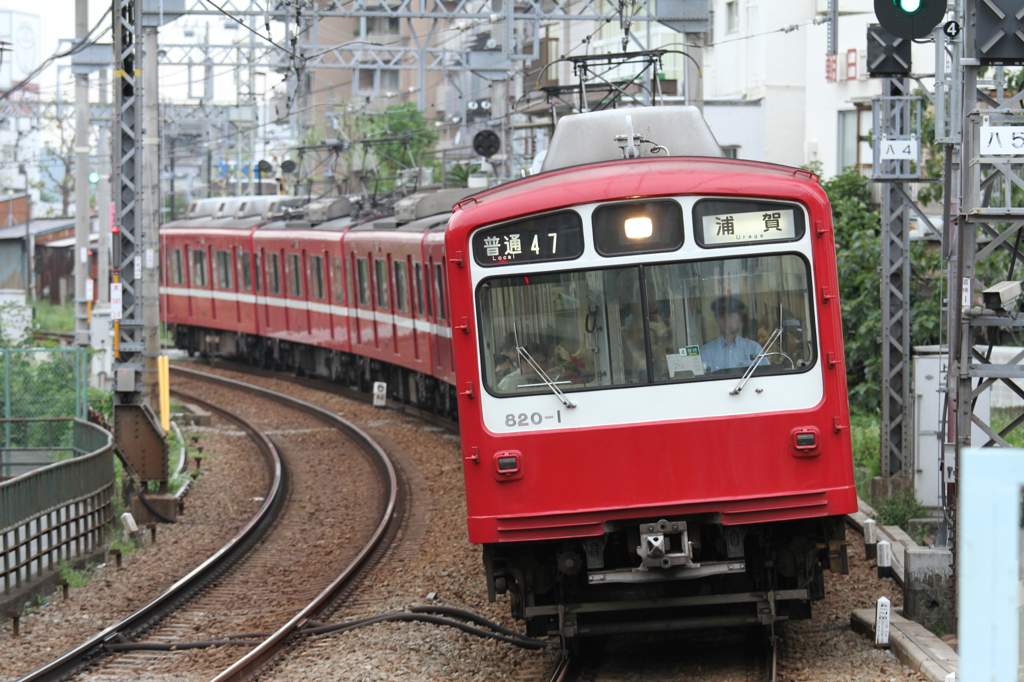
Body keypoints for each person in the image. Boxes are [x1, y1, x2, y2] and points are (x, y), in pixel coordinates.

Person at [700, 295, 763, 372]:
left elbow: (766, 378)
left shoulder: (754, 348)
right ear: (718, 320)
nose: (728, 320)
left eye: (732, 316)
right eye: (724, 316)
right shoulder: (706, 351)